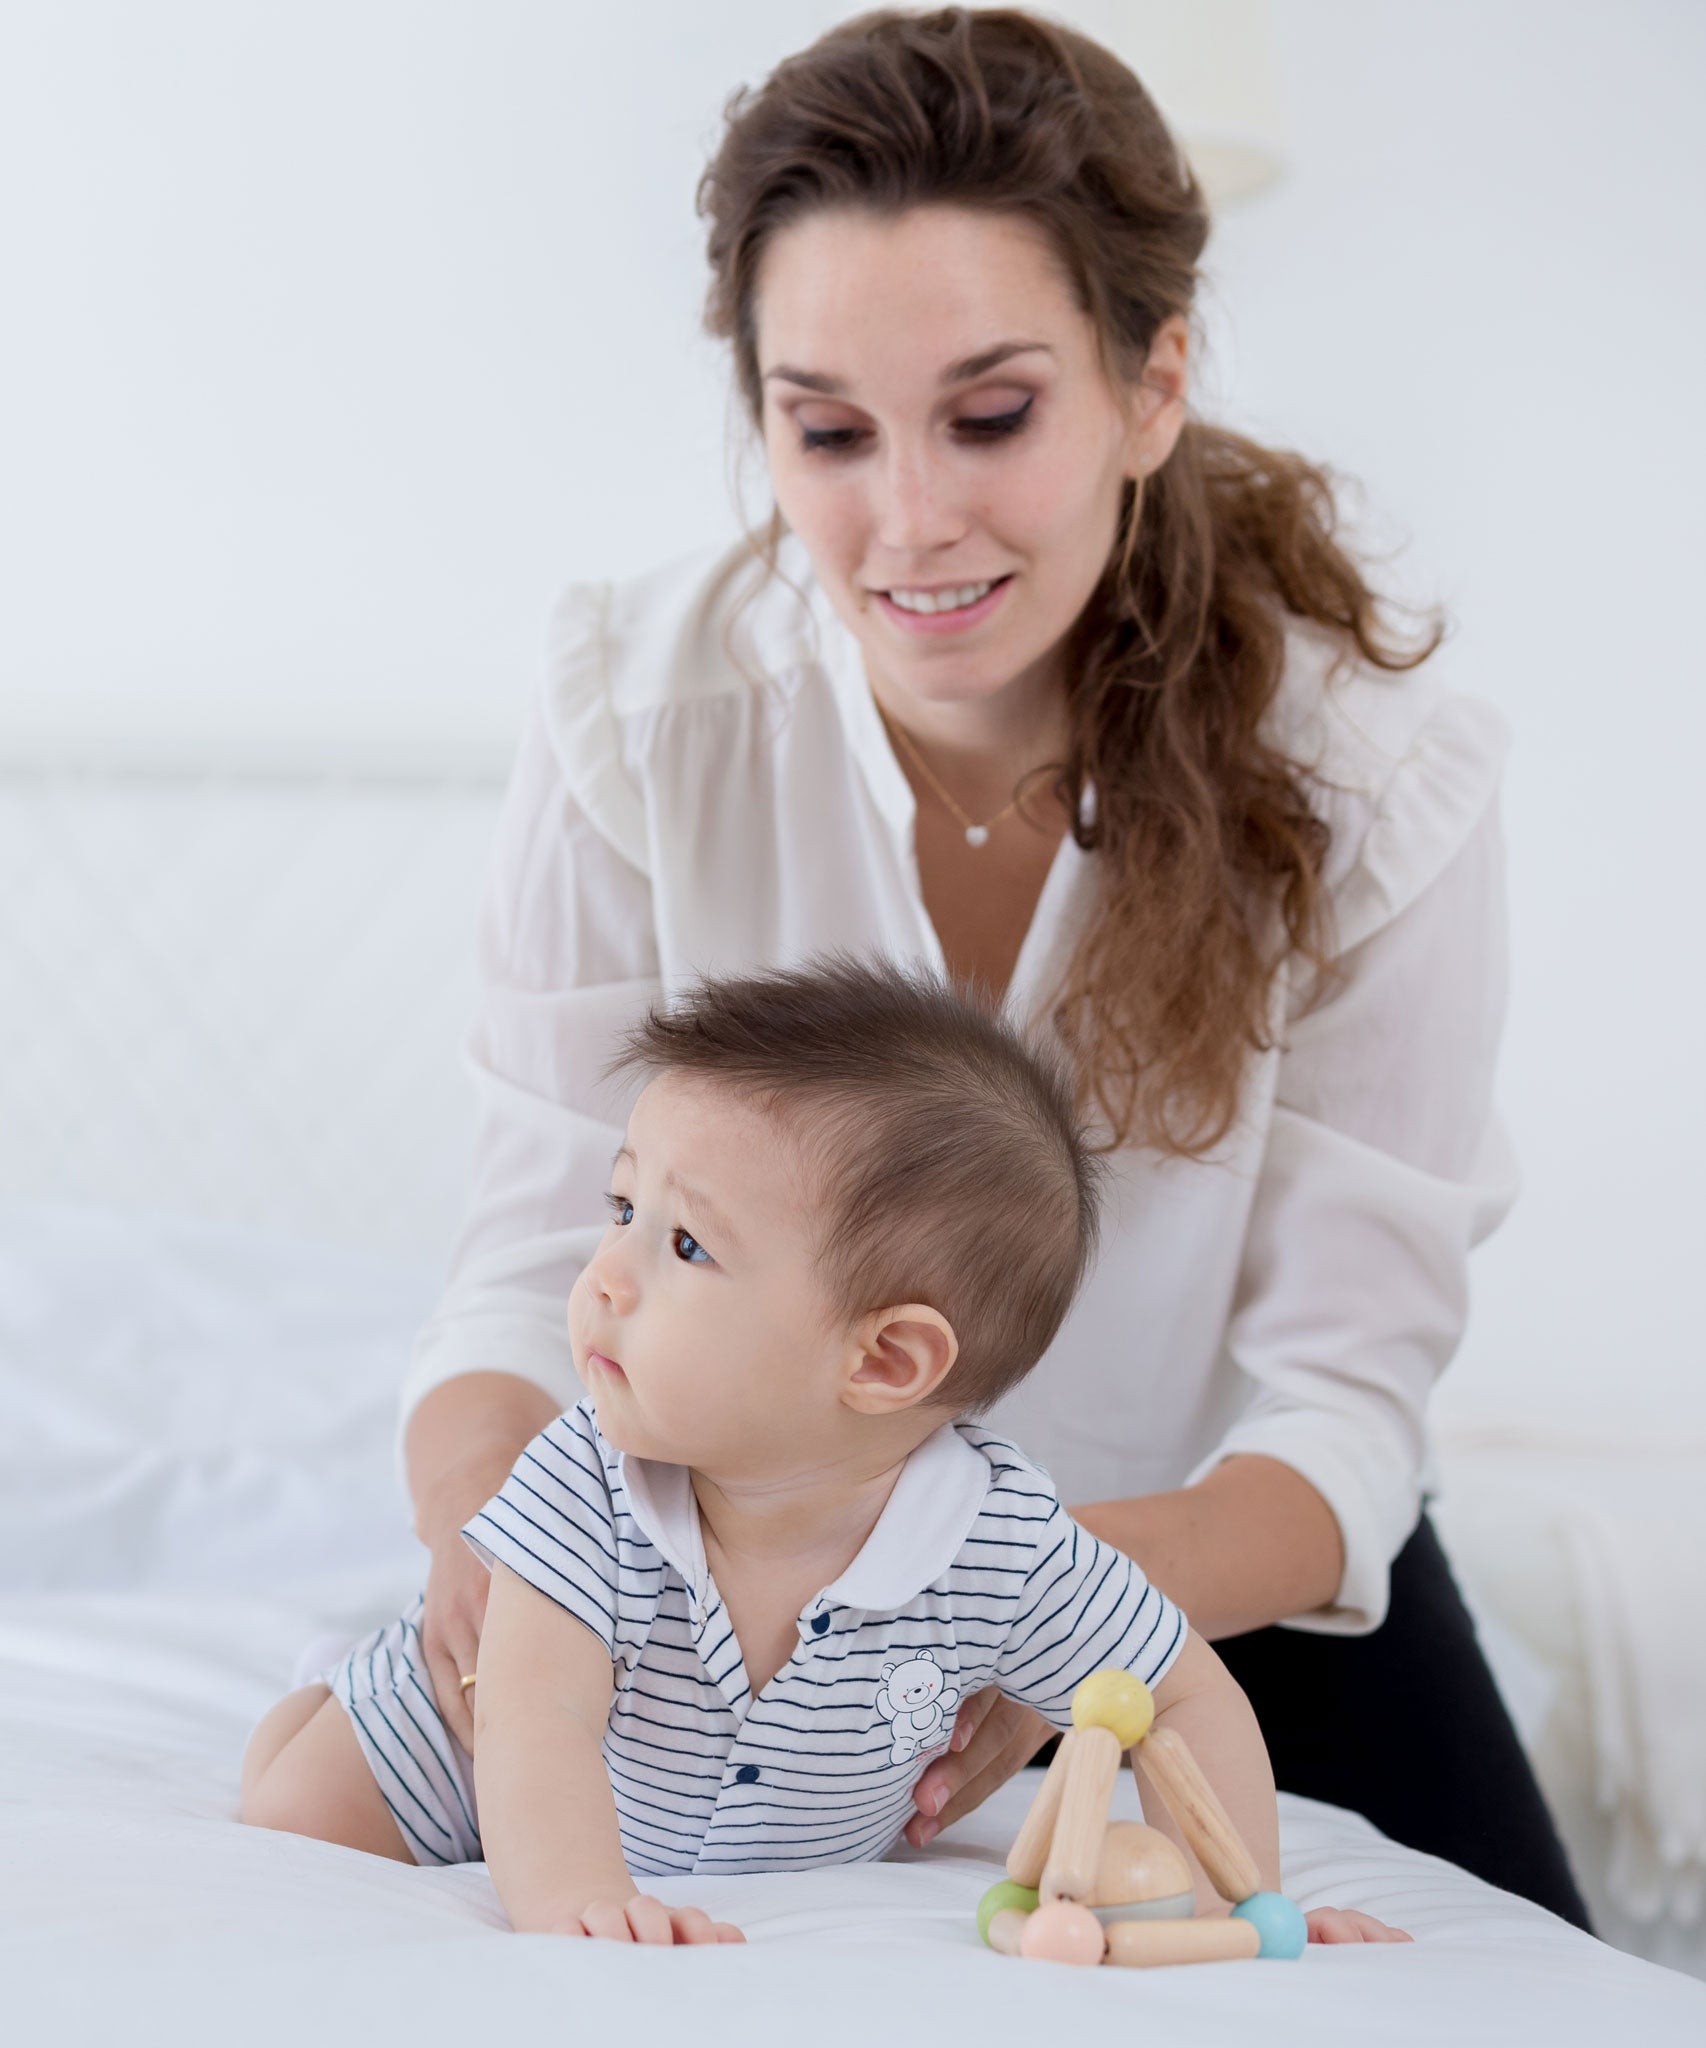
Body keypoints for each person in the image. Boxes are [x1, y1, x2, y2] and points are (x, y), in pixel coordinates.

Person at [396, 6, 1590, 1927]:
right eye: (828, 430)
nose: (911, 519)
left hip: (1210, 1577)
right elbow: (531, 1270)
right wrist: (508, 1556)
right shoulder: (636, 707)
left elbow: (1340, 1407)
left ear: (1148, 381)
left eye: (992, 412)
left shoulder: (1380, 777)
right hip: (716, 1590)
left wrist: (999, 1604)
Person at [241, 957, 1407, 1948]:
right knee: (293, 1807)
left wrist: (1241, 1900)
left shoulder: (999, 1542)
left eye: (686, 1242)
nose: (604, 1274)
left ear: (886, 1362)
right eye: (621, 1208)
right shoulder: (583, 1473)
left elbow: (1178, 1690)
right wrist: (580, 1905)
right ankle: (319, 1696)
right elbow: (536, 1716)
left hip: (739, 1832)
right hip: (464, 1742)